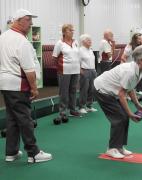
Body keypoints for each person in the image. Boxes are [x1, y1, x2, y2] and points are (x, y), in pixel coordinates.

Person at [0, 9, 52, 163]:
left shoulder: (2, 37)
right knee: (25, 118)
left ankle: (11, 152)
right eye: (28, 20)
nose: (31, 24)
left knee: (12, 118)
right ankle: (33, 153)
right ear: (18, 20)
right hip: (18, 84)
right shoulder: (21, 41)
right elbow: (29, 70)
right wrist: (34, 88)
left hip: (6, 84)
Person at [93, 45, 142, 159]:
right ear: (140, 60)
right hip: (102, 90)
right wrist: (130, 113)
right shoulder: (130, 71)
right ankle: (111, 148)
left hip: (111, 91)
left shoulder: (140, 70)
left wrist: (137, 104)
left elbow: (130, 88)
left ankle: (119, 146)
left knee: (123, 116)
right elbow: (121, 94)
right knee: (120, 117)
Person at [52, 24, 81, 122]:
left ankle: (73, 110)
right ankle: (63, 112)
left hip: (75, 70)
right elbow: (54, 58)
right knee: (64, 92)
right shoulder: (59, 43)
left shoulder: (76, 42)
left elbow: (78, 56)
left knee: (73, 90)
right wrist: (60, 68)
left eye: (73, 30)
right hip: (64, 71)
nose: (72, 32)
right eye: (70, 30)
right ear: (64, 32)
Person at [78, 34, 97, 114]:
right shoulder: (80, 50)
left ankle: (89, 106)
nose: (90, 41)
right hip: (84, 71)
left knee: (92, 89)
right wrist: (80, 70)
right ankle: (82, 107)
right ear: (83, 41)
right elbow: (77, 61)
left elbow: (92, 61)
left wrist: (95, 70)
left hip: (92, 71)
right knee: (84, 90)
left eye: (90, 39)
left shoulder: (90, 50)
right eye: (88, 39)